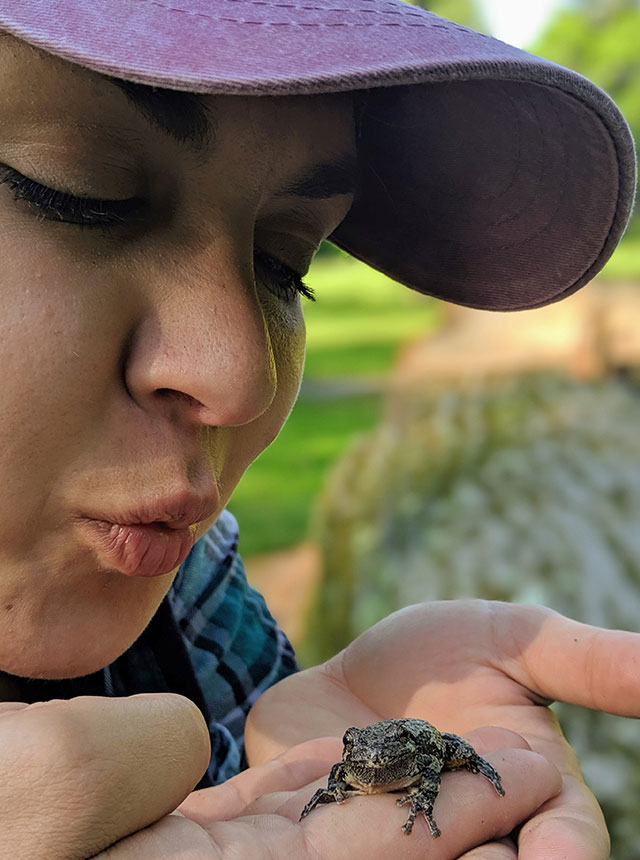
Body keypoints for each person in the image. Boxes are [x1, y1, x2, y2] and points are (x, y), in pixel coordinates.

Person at [0, 1, 637, 857]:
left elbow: (275, 787)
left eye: (285, 262)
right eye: (81, 192)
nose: (243, 377)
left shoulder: (182, 594)